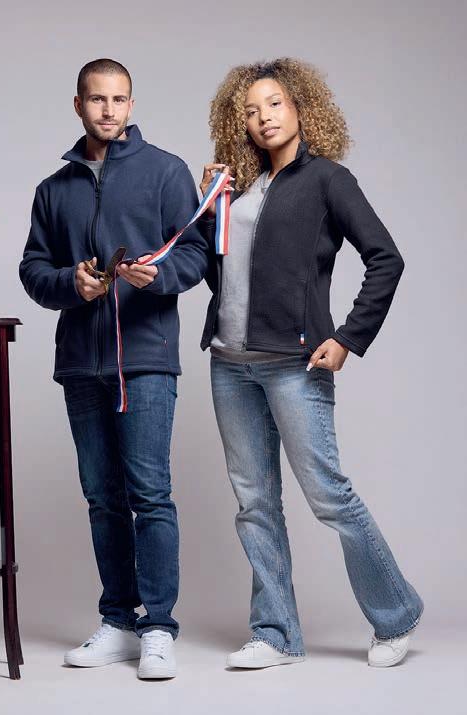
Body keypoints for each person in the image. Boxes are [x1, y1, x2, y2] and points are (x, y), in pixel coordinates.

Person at [198, 58, 423, 669]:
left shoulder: (328, 180)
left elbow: (386, 258)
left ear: (301, 106)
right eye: (250, 110)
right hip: (229, 363)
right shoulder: (239, 189)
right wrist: (209, 208)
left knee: (328, 496)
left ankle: (396, 615)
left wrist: (348, 338)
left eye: (274, 104)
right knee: (254, 504)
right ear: (238, 122)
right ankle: (276, 634)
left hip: (294, 364)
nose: (263, 118)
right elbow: (222, 275)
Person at [19, 58, 208, 680]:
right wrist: (69, 284)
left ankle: (158, 628)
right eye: (97, 99)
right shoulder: (54, 189)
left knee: (150, 496)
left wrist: (161, 276)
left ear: (131, 103)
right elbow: (33, 270)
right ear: (78, 105)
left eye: (119, 99)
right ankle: (118, 621)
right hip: (81, 363)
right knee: (102, 499)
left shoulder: (166, 171)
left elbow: (197, 253)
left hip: (146, 359)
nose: (108, 110)